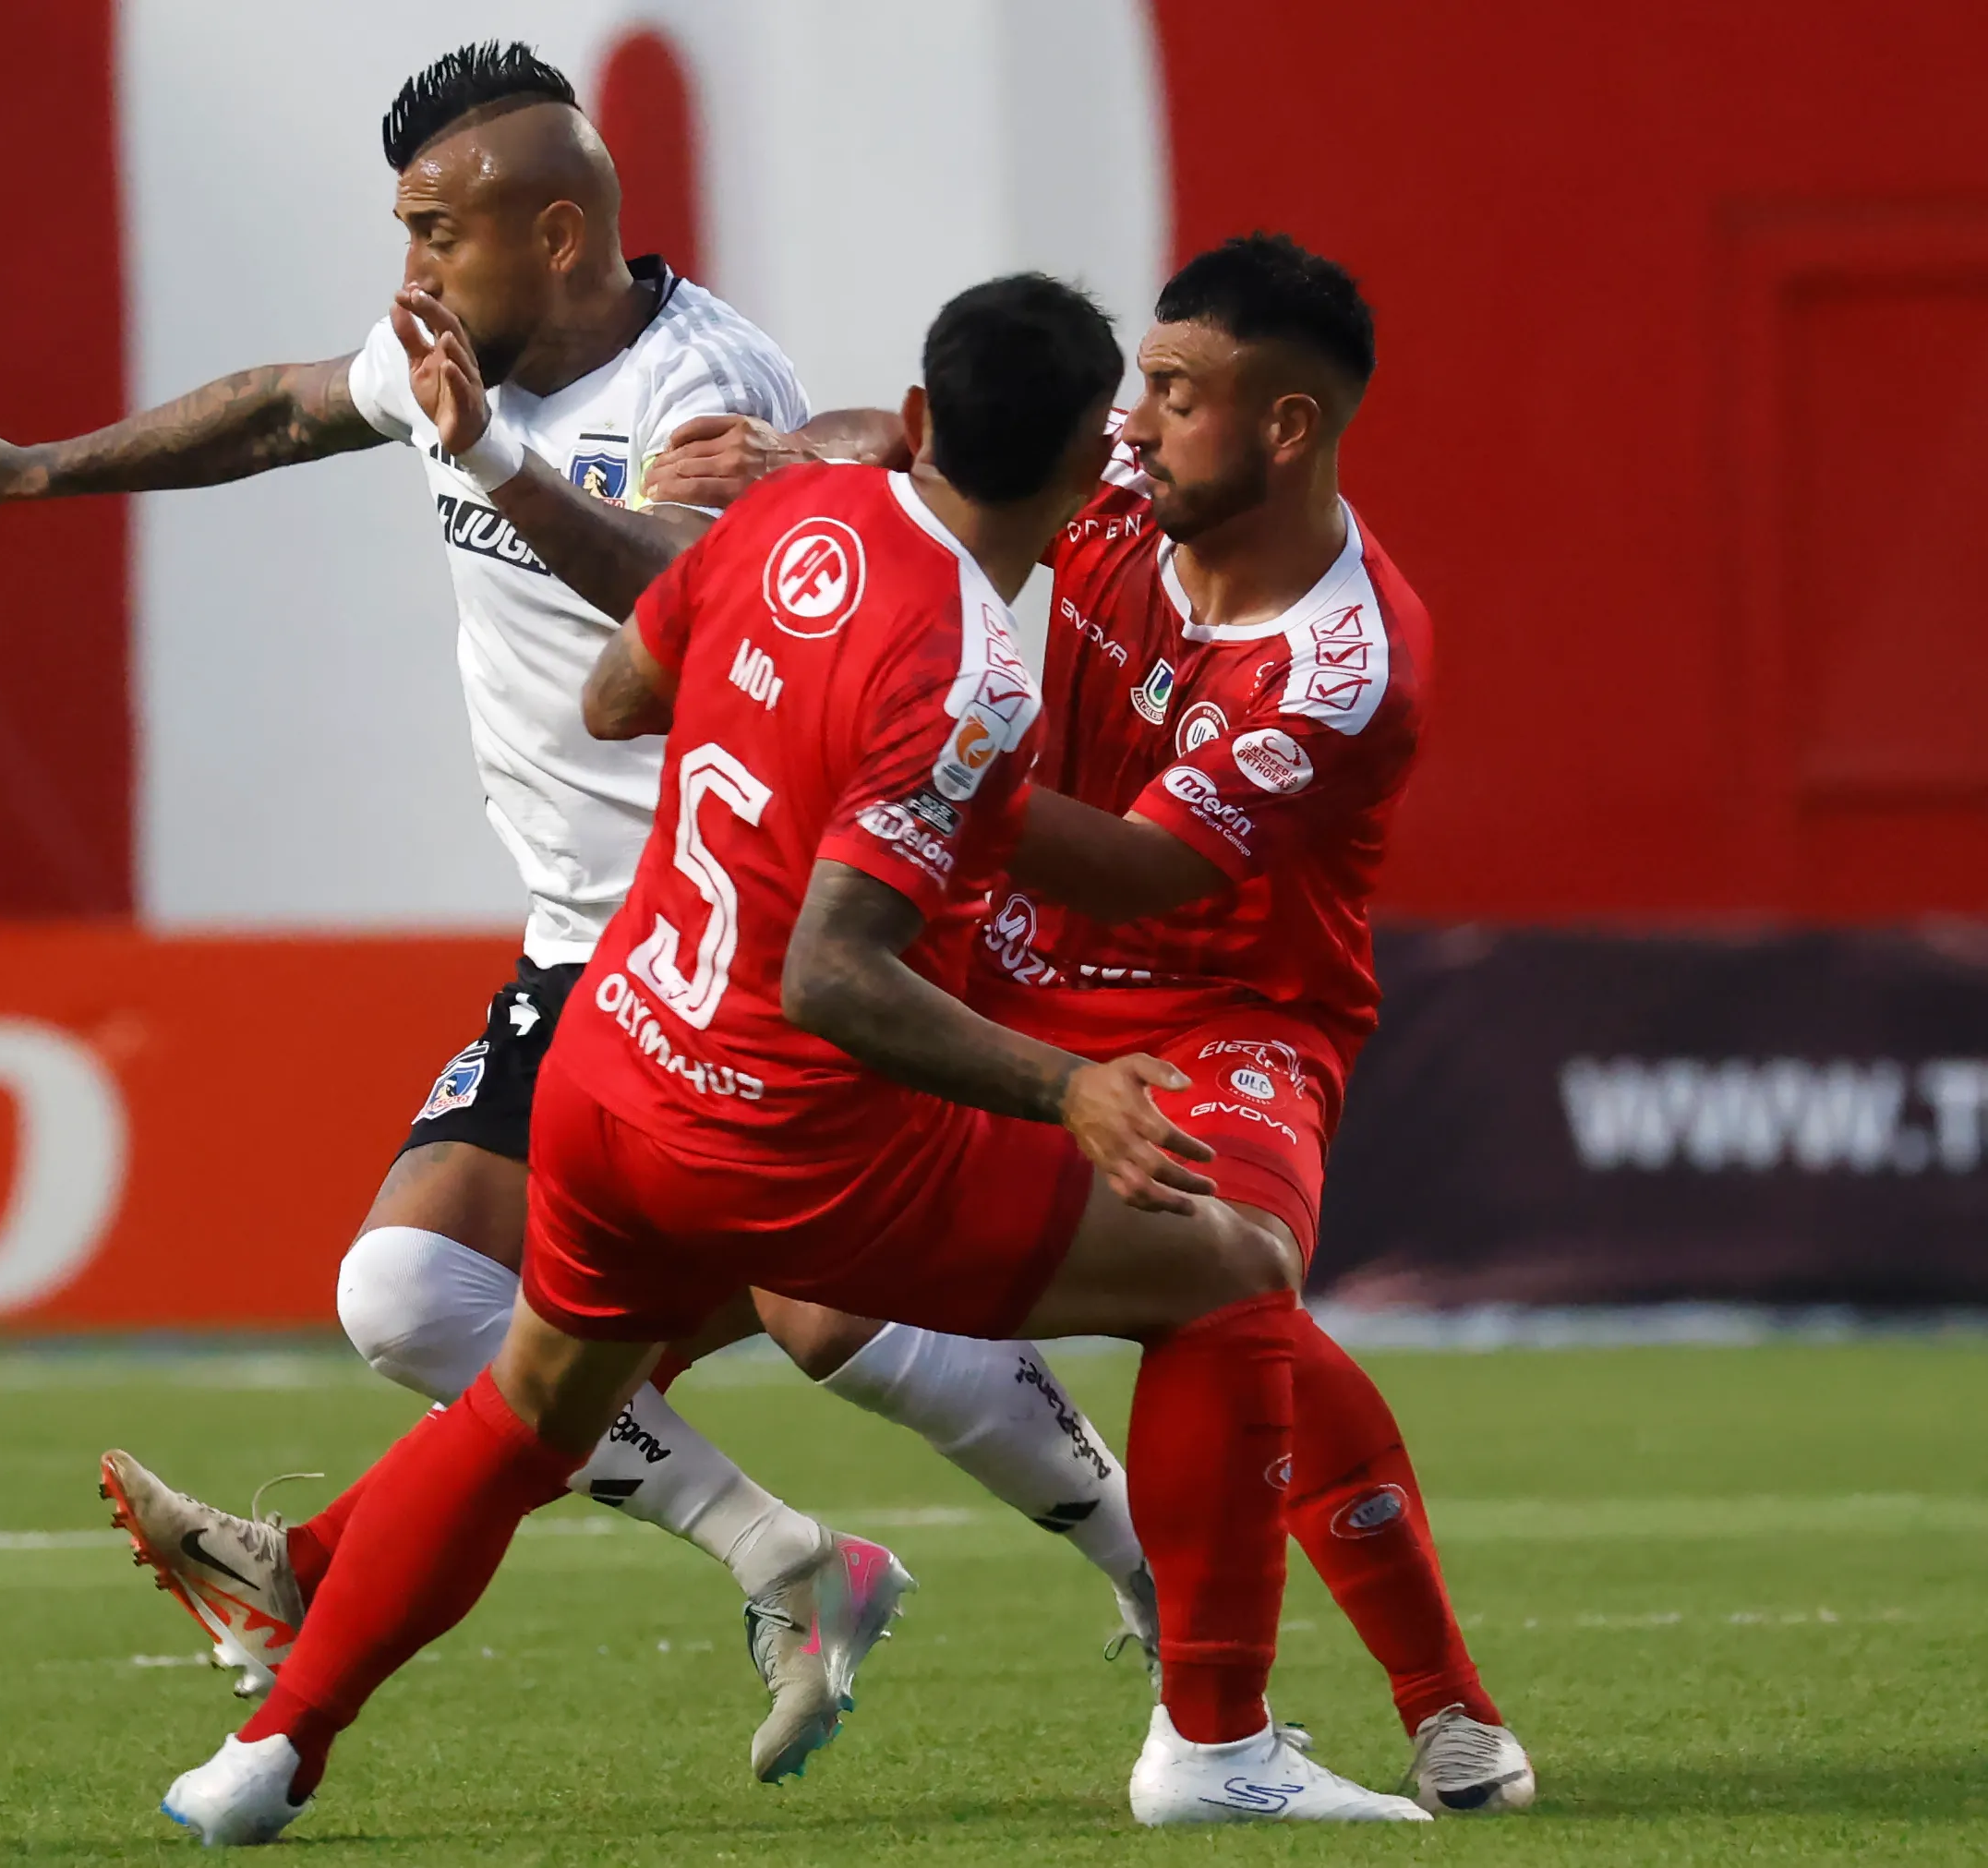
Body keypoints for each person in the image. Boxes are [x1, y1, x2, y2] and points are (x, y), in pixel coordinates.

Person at [0, 41, 1141, 1775]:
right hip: (578, 942)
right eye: (404, 230)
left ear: (560, 231)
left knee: (812, 1312)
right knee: (417, 1300)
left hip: (726, 933)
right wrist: (36, 470)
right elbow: (290, 405)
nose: (410, 270)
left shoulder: (699, 387)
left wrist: (528, 476)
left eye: (437, 229)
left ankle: (1141, 1563)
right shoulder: (453, 354)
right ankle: (787, 1553)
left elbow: (716, 624)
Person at [143, 273, 1434, 1843]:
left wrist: (766, 700)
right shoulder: (974, 665)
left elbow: (616, 694)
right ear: (1076, 480)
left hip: (615, 1070)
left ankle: (266, 1751)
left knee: (520, 1411)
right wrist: (1064, 1086)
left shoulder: (780, 525)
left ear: (908, 422)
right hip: (785, 1127)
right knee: (1223, 1266)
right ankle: (1214, 1738)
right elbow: (833, 971)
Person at [643, 232, 1535, 1814]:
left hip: (1230, 1009)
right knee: (662, 1254)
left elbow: (1143, 873)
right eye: (1137, 387)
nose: (1129, 423)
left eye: (1175, 394)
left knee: (1227, 1263)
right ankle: (326, 1576)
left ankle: (1402, 1707)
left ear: (1285, 430)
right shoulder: (1123, 500)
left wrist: (915, 759)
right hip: (1011, 964)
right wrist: (798, 449)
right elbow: (934, 448)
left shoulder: (1346, 657)